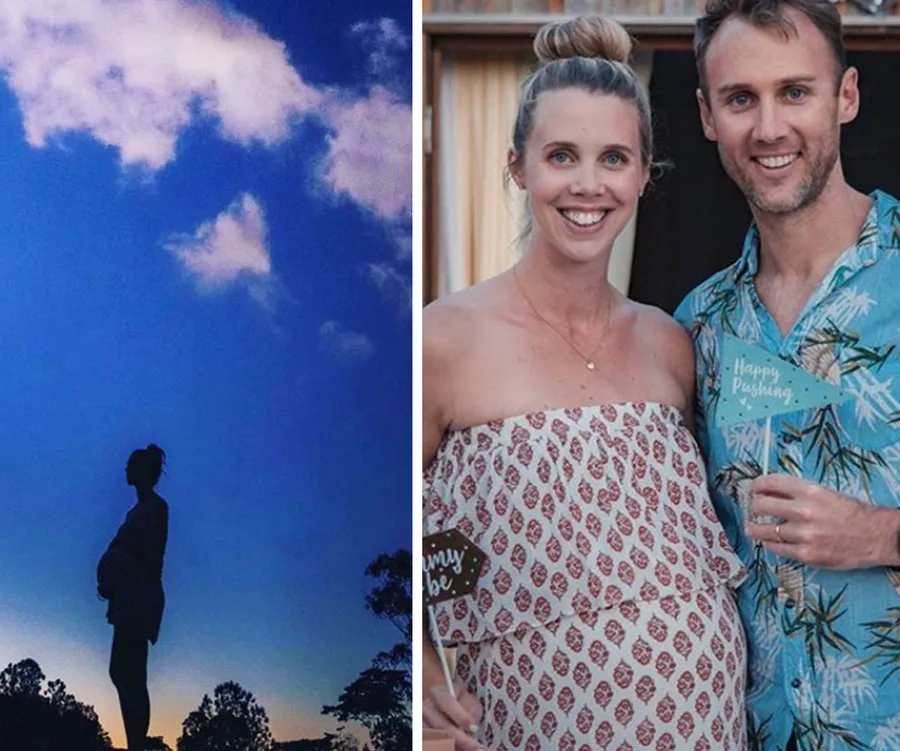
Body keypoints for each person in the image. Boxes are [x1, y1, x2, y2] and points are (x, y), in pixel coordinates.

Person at [423, 15, 748, 751]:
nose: (588, 185)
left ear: (642, 173)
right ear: (518, 166)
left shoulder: (670, 343)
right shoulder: (442, 341)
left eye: (613, 158)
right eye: (562, 155)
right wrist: (420, 671)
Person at [675, 0, 900, 747]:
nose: (769, 128)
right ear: (708, 116)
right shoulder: (700, 327)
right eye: (742, 99)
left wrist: (881, 533)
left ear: (847, 96)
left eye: (795, 92)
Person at [97, 444, 169, 751]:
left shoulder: (156, 508)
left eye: (130, 465)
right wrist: (110, 581)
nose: (125, 469)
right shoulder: (136, 511)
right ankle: (134, 742)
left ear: (142, 471)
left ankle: (136, 745)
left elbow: (150, 556)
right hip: (126, 598)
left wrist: (119, 566)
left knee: (131, 674)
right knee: (122, 671)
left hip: (140, 598)